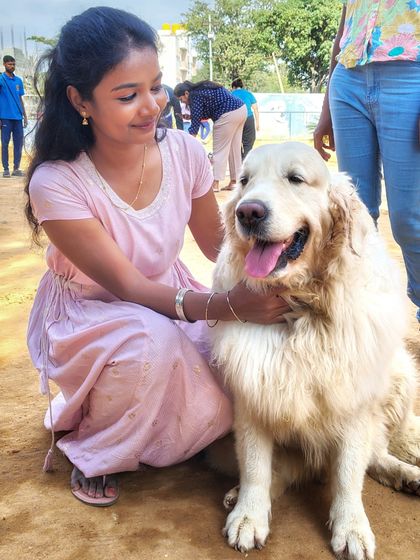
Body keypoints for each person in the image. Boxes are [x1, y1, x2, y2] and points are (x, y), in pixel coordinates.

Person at [25, 6, 289, 507]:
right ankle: (96, 449)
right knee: (153, 346)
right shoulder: (56, 183)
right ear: (80, 100)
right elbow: (129, 287)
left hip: (172, 292)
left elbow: (217, 243)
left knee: (235, 361)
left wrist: (276, 259)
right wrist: (231, 306)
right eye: (127, 96)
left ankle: (167, 430)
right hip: (93, 311)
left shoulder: (186, 152)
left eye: (157, 86)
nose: (152, 106)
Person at [313, 0, 420, 322]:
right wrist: (325, 114)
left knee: (410, 220)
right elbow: (342, 32)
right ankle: (360, 309)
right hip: (348, 80)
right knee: (353, 214)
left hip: (410, 78)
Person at [174, 80, 247, 192]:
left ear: (186, 93)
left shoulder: (195, 95)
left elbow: (195, 124)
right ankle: (234, 181)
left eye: (181, 99)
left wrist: (187, 143)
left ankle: (215, 183)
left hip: (227, 114)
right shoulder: (203, 89)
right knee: (234, 149)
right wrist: (187, 117)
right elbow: (203, 113)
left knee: (219, 150)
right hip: (241, 110)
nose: (183, 102)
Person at [0, 55, 28, 177]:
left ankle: (16, 168)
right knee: (5, 143)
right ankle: (6, 168)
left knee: (19, 143)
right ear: (4, 64)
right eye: (10, 64)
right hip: (5, 117)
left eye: (13, 64)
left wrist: (25, 116)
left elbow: (20, 99)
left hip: (18, 118)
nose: (12, 66)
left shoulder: (19, 81)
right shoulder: (1, 79)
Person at [231, 78, 259, 163]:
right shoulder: (248, 94)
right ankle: (246, 160)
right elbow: (255, 109)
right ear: (241, 86)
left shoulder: (231, 94)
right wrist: (257, 123)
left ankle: (239, 160)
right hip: (248, 118)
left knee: (236, 140)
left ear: (234, 87)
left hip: (235, 118)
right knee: (249, 141)